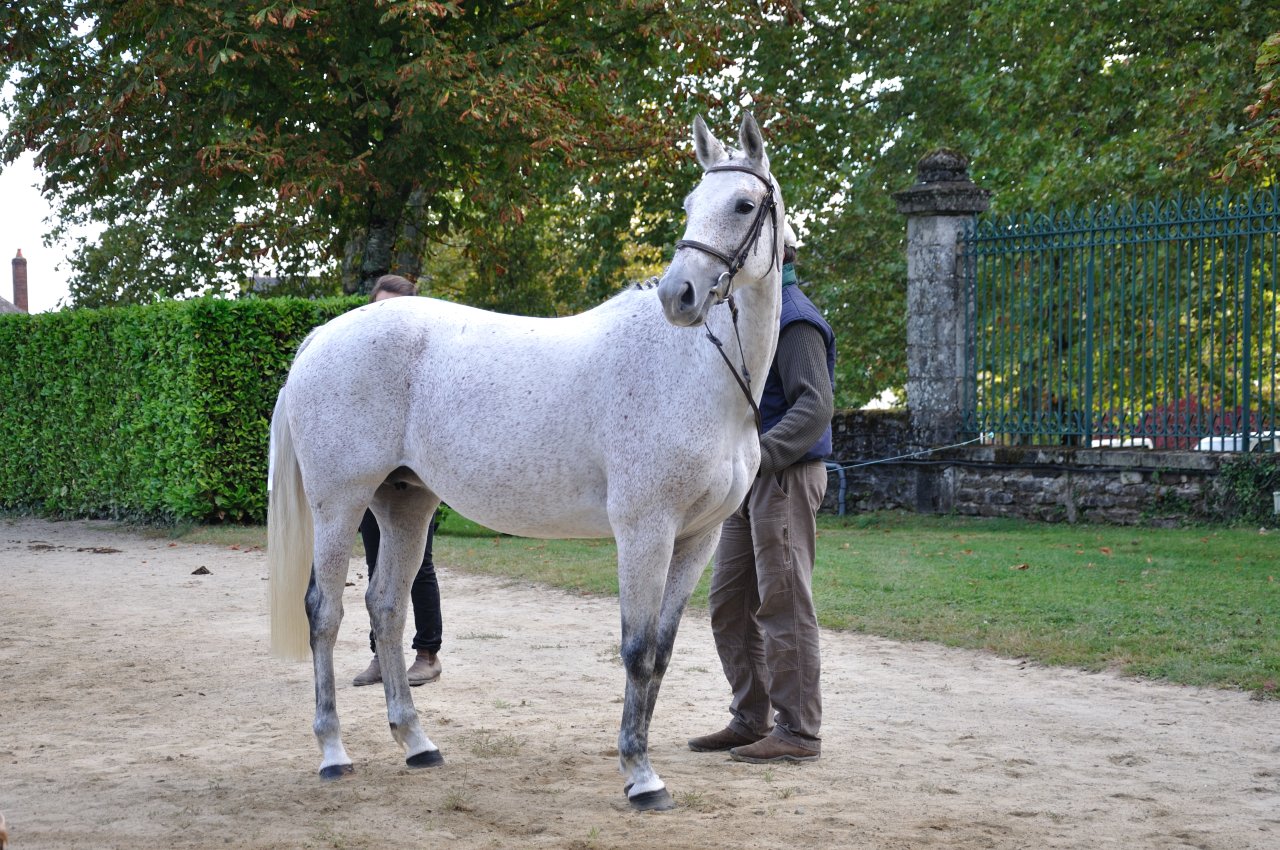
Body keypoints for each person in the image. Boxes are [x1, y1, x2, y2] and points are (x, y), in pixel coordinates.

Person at [687, 229, 835, 763]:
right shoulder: (754, 322)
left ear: (775, 256)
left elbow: (815, 407)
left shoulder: (795, 319)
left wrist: (759, 456)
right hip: (752, 481)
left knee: (784, 603)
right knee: (729, 602)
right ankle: (752, 718)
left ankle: (798, 731)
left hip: (785, 477)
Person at [351, 274, 444, 688]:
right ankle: (381, 654)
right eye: (376, 307)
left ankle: (428, 653)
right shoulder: (358, 361)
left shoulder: (426, 361)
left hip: (418, 475)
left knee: (419, 564)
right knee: (376, 564)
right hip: (375, 475)